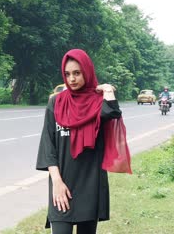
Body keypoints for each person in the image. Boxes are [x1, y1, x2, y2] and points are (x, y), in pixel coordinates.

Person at [36, 49, 131, 234]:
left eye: (77, 73)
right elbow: (48, 146)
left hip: (90, 183)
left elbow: (113, 113)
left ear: (87, 71)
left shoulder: (97, 102)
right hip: (61, 184)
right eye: (67, 74)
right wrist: (56, 182)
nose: (72, 79)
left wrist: (108, 90)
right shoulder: (56, 103)